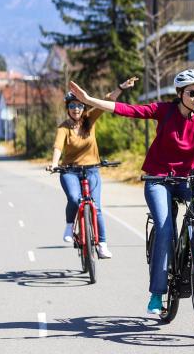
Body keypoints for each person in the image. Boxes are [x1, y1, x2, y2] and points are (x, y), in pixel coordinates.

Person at [69, 68, 194, 314]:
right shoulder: (164, 111)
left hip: (186, 179)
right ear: (180, 92)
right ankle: (157, 293)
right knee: (164, 228)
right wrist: (88, 101)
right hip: (158, 179)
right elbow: (128, 110)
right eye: (192, 93)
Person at [48, 77, 138, 259]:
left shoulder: (90, 120)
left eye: (79, 105)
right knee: (74, 199)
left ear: (84, 108)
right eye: (72, 106)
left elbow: (108, 101)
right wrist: (55, 163)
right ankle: (68, 225)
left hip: (91, 170)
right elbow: (58, 146)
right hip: (70, 171)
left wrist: (121, 87)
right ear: (68, 108)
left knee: (95, 207)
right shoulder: (63, 127)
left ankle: (102, 244)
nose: (76, 109)